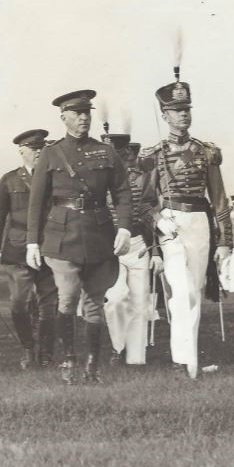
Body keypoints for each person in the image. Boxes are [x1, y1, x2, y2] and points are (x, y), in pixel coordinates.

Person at [26, 90, 132, 384]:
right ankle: (69, 360)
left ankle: (92, 366)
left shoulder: (106, 151)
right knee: (69, 297)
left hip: (99, 235)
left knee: (95, 302)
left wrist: (124, 226)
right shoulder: (51, 153)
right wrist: (33, 242)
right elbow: (37, 201)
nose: (84, 117)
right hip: (62, 239)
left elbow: (122, 191)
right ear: (64, 118)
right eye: (77, 113)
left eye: (87, 112)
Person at [140, 71, 232, 379]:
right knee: (181, 291)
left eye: (187, 109)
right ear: (165, 115)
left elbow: (219, 198)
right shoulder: (153, 155)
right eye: (178, 111)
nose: (184, 115)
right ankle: (186, 361)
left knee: (194, 289)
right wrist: (159, 221)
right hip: (172, 225)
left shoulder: (206, 152)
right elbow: (145, 200)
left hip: (200, 223)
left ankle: (187, 359)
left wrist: (224, 240)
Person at [0, 129, 58, 369]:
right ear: (21, 151)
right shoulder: (10, 180)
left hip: (49, 247)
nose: (38, 153)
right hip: (17, 249)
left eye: (41, 148)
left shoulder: (53, 177)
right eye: (33, 149)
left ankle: (46, 351)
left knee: (49, 304)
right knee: (19, 302)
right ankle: (28, 347)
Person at [102, 132, 152, 365]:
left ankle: (136, 354)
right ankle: (118, 346)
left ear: (124, 154)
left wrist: (157, 251)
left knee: (140, 302)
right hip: (109, 245)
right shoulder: (97, 180)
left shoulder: (141, 179)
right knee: (114, 299)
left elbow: (151, 212)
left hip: (138, 242)